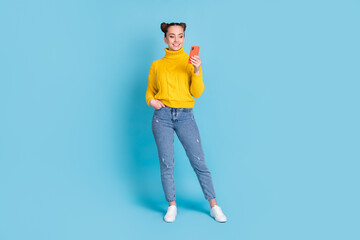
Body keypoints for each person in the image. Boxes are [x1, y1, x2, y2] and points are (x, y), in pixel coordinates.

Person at [145, 22, 227, 223]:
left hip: (185, 116)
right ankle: (171, 205)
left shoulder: (191, 62)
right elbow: (150, 92)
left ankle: (214, 206)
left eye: (180, 36)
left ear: (184, 38)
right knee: (167, 163)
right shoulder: (157, 65)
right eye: (171, 36)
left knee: (199, 162)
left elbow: (197, 92)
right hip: (162, 117)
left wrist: (197, 70)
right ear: (165, 39)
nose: (176, 40)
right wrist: (151, 101)